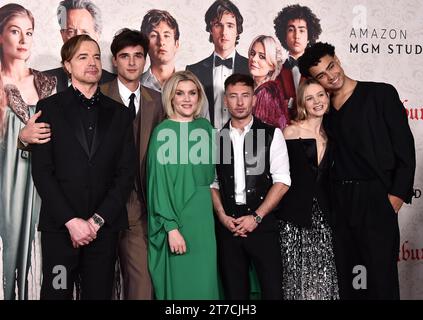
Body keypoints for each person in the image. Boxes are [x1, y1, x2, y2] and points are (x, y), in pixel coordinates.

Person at [298, 42, 415, 299]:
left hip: (376, 199)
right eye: (321, 76)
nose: (331, 76)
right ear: (314, 80)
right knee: (350, 281)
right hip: (340, 203)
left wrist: (394, 199)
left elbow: (405, 151)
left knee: (381, 281)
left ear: (337, 59)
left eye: (331, 66)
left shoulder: (380, 95)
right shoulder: (324, 111)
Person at [31, 34, 136, 300]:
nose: (92, 62)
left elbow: (125, 174)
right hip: (60, 231)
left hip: (103, 231)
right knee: (57, 293)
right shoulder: (48, 109)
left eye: (96, 56)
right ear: (67, 65)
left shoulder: (121, 113)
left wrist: (96, 222)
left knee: (98, 295)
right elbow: (42, 172)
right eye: (83, 56)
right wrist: (72, 221)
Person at [211, 73, 290, 299]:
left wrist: (256, 217)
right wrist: (222, 216)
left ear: (254, 99)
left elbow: (282, 181)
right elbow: (212, 182)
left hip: (263, 227)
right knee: (235, 296)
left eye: (245, 96)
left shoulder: (272, 135)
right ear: (225, 101)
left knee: (273, 292)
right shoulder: (217, 137)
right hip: (229, 228)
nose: (239, 102)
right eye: (233, 96)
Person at [100, 28, 165, 300]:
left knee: (141, 285)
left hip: (139, 206)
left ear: (146, 60)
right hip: (99, 203)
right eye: (124, 56)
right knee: (97, 282)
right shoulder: (98, 95)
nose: (131, 62)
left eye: (138, 56)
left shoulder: (158, 100)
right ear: (114, 60)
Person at [0, 3, 56, 300]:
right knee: (7, 251)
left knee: (43, 260)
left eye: (29, 33)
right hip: (6, 187)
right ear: (0, 36)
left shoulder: (47, 83)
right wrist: (19, 138)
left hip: (43, 186)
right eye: (15, 31)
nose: (23, 39)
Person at [147, 70, 219, 299]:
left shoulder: (206, 130)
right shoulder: (162, 133)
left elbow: (215, 179)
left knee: (205, 286)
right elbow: (157, 186)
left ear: (199, 97)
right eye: (180, 93)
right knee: (182, 289)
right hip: (177, 222)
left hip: (204, 223)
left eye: (192, 93)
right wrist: (171, 228)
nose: (187, 99)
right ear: (171, 98)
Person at [278, 79, 338, 299]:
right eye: (310, 98)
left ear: (328, 97)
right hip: (294, 218)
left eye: (321, 95)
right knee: (295, 282)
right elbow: (279, 178)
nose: (317, 102)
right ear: (302, 103)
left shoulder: (332, 137)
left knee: (324, 280)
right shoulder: (290, 133)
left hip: (324, 219)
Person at [186, 0, 249, 130]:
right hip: (206, 141)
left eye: (230, 25)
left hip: (244, 142)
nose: (224, 32)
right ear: (210, 29)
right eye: (218, 25)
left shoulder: (251, 68)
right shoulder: (193, 71)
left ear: (238, 30)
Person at [45, 0, 115, 93]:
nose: (78, 39)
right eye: (71, 31)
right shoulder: (43, 81)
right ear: (62, 35)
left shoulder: (114, 84)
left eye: (85, 32)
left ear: (97, 35)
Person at [273, 4, 322, 118]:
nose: (296, 36)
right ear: (284, 35)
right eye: (291, 30)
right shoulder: (275, 71)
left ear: (309, 35)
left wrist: (289, 102)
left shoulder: (319, 68)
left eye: (302, 30)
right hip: (284, 131)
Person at [248, 35, 289, 129]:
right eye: (252, 53)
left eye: (262, 56)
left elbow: (260, 137)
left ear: (272, 65)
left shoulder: (265, 92)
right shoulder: (270, 89)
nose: (254, 59)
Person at [140, 9, 179, 93]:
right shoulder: (135, 85)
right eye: (153, 35)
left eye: (166, 35)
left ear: (176, 44)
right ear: (145, 45)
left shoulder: (192, 85)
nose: (161, 42)